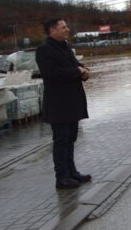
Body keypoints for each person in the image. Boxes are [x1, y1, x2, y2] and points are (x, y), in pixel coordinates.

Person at [36, 18, 92, 190]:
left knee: (71, 139)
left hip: (72, 102)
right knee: (61, 140)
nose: (67, 29)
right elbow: (52, 73)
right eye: (63, 27)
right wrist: (77, 71)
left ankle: (72, 172)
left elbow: (75, 66)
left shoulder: (65, 47)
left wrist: (84, 72)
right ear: (52, 31)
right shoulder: (44, 50)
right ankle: (62, 178)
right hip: (58, 104)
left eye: (66, 26)